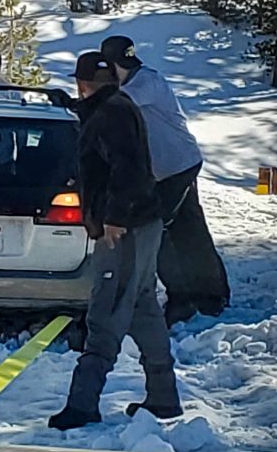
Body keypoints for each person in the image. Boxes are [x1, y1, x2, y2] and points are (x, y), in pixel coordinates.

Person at [48, 51, 182, 432]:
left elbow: (129, 169)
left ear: (83, 83)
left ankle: (82, 404)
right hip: (142, 223)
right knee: (142, 307)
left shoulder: (111, 115)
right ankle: (163, 395)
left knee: (105, 312)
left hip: (124, 228)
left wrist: (113, 219)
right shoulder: (111, 107)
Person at [100, 34, 230, 326]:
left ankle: (184, 298)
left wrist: (78, 102)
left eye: (117, 67)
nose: (117, 72)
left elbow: (116, 108)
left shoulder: (146, 82)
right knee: (189, 229)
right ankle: (212, 295)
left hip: (176, 168)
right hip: (173, 167)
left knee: (155, 231)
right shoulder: (132, 85)